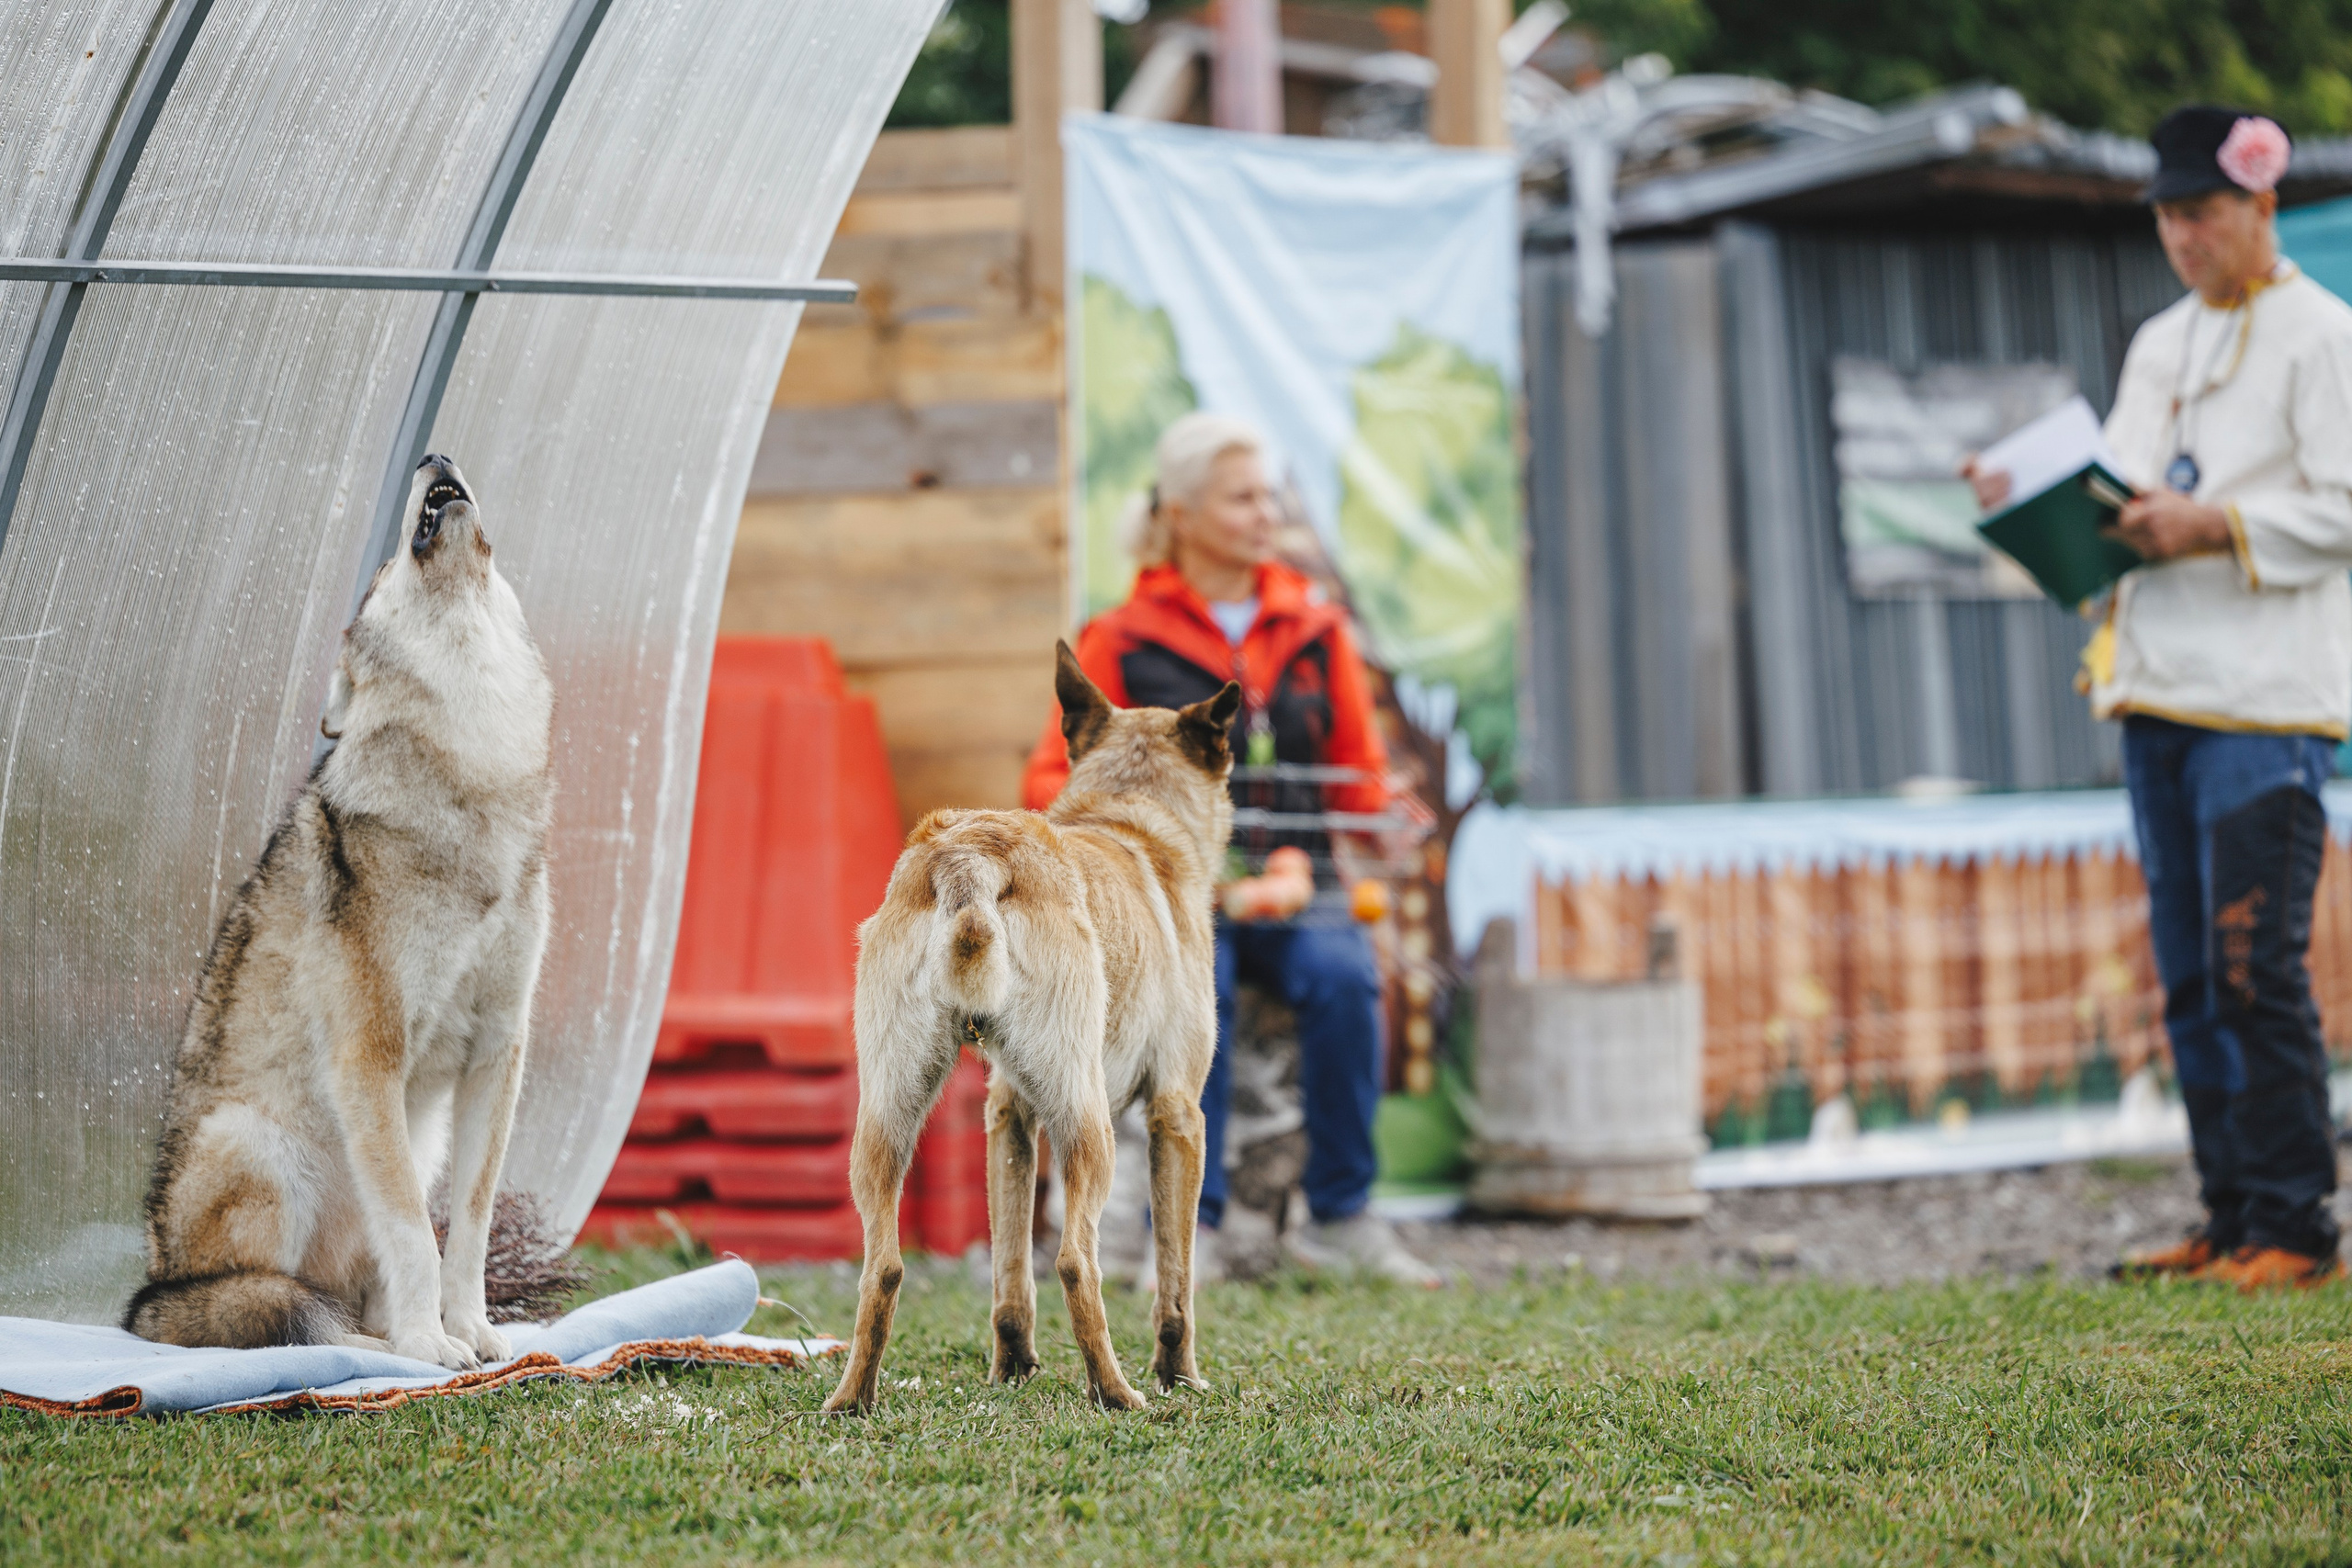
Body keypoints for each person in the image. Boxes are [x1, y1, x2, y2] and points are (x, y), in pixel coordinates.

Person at [1966, 106, 2352, 1289]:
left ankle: (2296, 1225)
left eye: (2203, 213)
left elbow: (2345, 505)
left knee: (2254, 963)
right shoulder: (2157, 342)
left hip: (2267, 700)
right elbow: (2123, 489)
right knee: (2186, 969)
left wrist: (2217, 524)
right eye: (2170, 217)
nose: (2183, 237)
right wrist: (2026, 492)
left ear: (2259, 207)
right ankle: (2229, 1214)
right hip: (2154, 689)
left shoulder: (2323, 337)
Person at [1022, 412, 1442, 1286]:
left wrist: (1389, 812)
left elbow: (1357, 776)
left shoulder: (1318, 630)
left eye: (1271, 496)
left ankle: (1345, 1213)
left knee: (1345, 978)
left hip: (1302, 881)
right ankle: (1194, 1230)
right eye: (1243, 496)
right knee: (1193, 994)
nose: (1265, 512)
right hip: (1173, 893)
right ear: (1180, 511)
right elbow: (1047, 781)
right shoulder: (1122, 637)